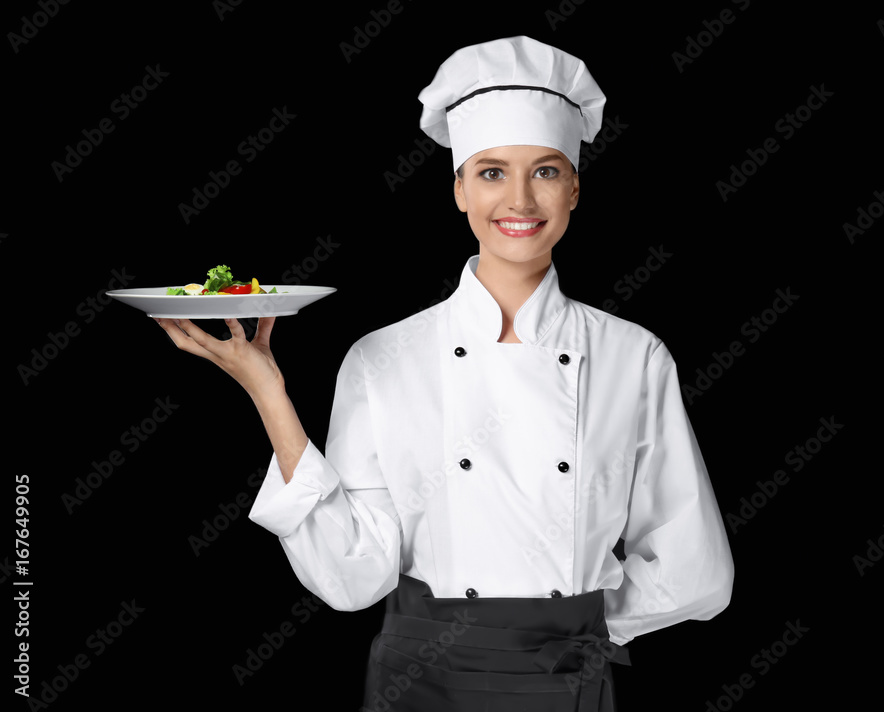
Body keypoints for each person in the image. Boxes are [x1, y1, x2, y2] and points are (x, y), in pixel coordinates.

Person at [155, 36, 734, 712]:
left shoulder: (633, 357)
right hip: (421, 682)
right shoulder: (383, 358)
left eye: (546, 171)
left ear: (575, 187)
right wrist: (268, 392)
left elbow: (696, 568)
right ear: (459, 189)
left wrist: (579, 623)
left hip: (562, 678)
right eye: (491, 172)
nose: (520, 199)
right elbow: (352, 579)